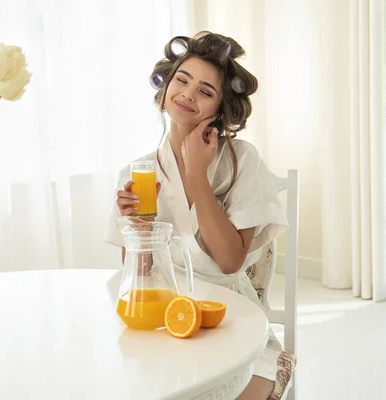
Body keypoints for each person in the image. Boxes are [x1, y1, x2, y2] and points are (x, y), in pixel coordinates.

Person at [105, 31, 289, 400]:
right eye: (182, 80)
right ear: (166, 88)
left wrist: (196, 175)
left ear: (221, 110)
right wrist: (138, 230)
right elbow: (137, 277)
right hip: (162, 321)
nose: (188, 94)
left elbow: (229, 261)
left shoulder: (242, 161)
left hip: (231, 319)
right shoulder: (137, 173)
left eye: (205, 91)